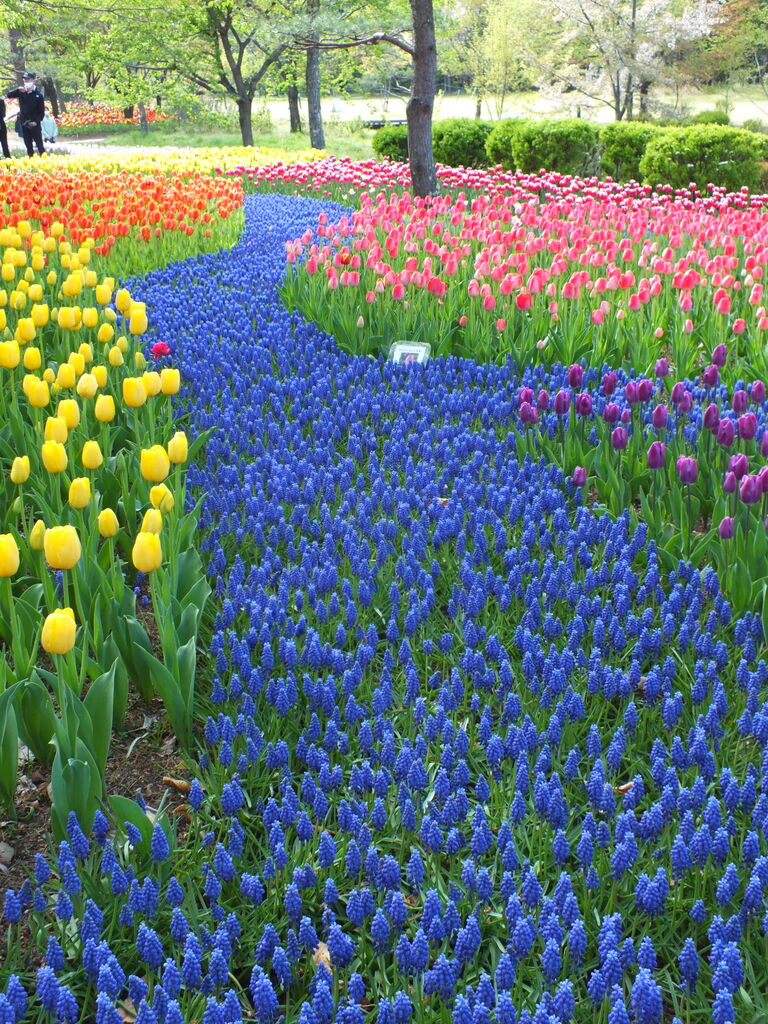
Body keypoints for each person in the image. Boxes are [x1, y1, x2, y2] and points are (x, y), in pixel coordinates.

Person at [6, 71, 45, 157]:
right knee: (28, 146)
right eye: (25, 80)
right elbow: (8, 95)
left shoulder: (38, 95)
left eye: (28, 80)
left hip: (34, 123)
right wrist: (17, 90)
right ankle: (31, 161)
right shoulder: (21, 92)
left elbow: (41, 113)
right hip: (24, 123)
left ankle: (44, 160)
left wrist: (36, 122)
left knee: (40, 145)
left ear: (32, 80)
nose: (26, 81)